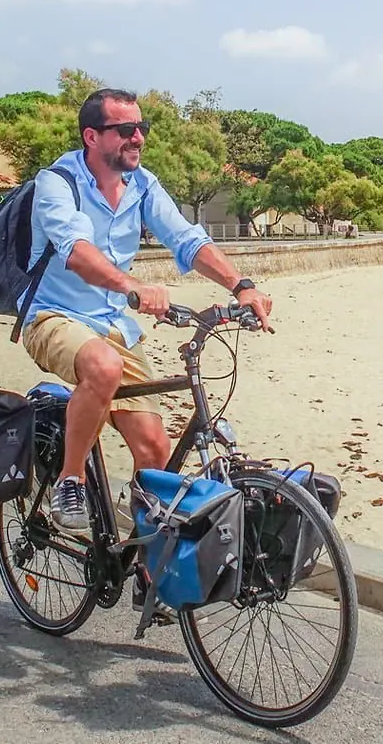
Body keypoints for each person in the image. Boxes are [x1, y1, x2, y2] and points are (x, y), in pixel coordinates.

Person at [20, 88, 273, 536]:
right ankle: (70, 480)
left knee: (155, 453)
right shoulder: (57, 182)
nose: (138, 137)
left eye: (142, 128)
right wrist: (132, 286)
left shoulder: (142, 185)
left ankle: (148, 577)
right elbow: (76, 252)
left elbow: (185, 238)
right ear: (92, 137)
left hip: (113, 324)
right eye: (126, 130)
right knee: (103, 365)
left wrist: (242, 286)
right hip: (53, 316)